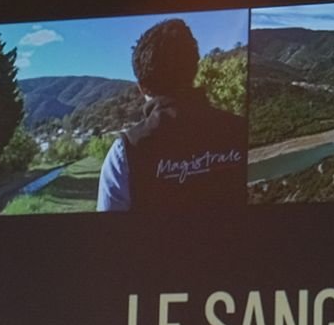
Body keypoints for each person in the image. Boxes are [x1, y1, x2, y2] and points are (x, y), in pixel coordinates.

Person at [96, 17, 247, 212]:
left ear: (142, 88)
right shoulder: (240, 129)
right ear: (195, 69)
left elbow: (109, 234)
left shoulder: (125, 151)